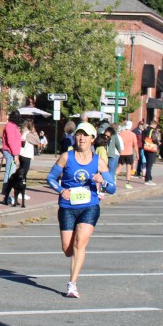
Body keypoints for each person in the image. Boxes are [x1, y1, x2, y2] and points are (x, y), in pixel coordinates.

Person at [45, 122, 116, 299]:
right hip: (67, 207)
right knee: (67, 249)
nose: (81, 138)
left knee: (80, 243)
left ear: (92, 139)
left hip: (89, 206)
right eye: (79, 134)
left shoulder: (98, 161)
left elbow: (112, 188)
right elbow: (51, 178)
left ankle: (72, 284)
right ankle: (74, 258)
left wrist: (103, 181)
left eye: (85, 135)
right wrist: (61, 190)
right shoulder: (66, 157)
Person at [0, 111, 22, 193]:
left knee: (11, 172)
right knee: (9, 172)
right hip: (10, 152)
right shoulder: (10, 126)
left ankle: (6, 190)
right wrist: (15, 154)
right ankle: (6, 191)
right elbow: (11, 141)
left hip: (12, 151)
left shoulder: (13, 126)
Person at [117, 122, 139, 188]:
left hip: (121, 153)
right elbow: (135, 145)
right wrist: (137, 153)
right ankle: (127, 183)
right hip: (129, 153)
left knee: (119, 167)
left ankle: (114, 177)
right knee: (128, 168)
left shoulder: (120, 134)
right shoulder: (133, 134)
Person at [141, 119, 160, 185]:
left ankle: (148, 178)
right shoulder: (152, 131)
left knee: (147, 164)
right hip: (151, 148)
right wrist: (158, 143)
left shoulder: (145, 130)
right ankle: (148, 179)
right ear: (154, 125)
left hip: (145, 148)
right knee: (149, 165)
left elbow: (143, 139)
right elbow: (154, 139)